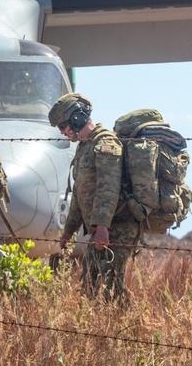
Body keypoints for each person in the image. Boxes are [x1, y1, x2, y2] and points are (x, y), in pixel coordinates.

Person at [50, 93, 136, 302]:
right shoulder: (85, 147)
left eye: (63, 126)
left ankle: (124, 327)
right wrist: (68, 232)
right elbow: (80, 194)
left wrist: (103, 228)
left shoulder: (105, 144)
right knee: (89, 285)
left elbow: (108, 189)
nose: (63, 132)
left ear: (77, 119)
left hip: (116, 227)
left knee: (110, 287)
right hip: (101, 230)